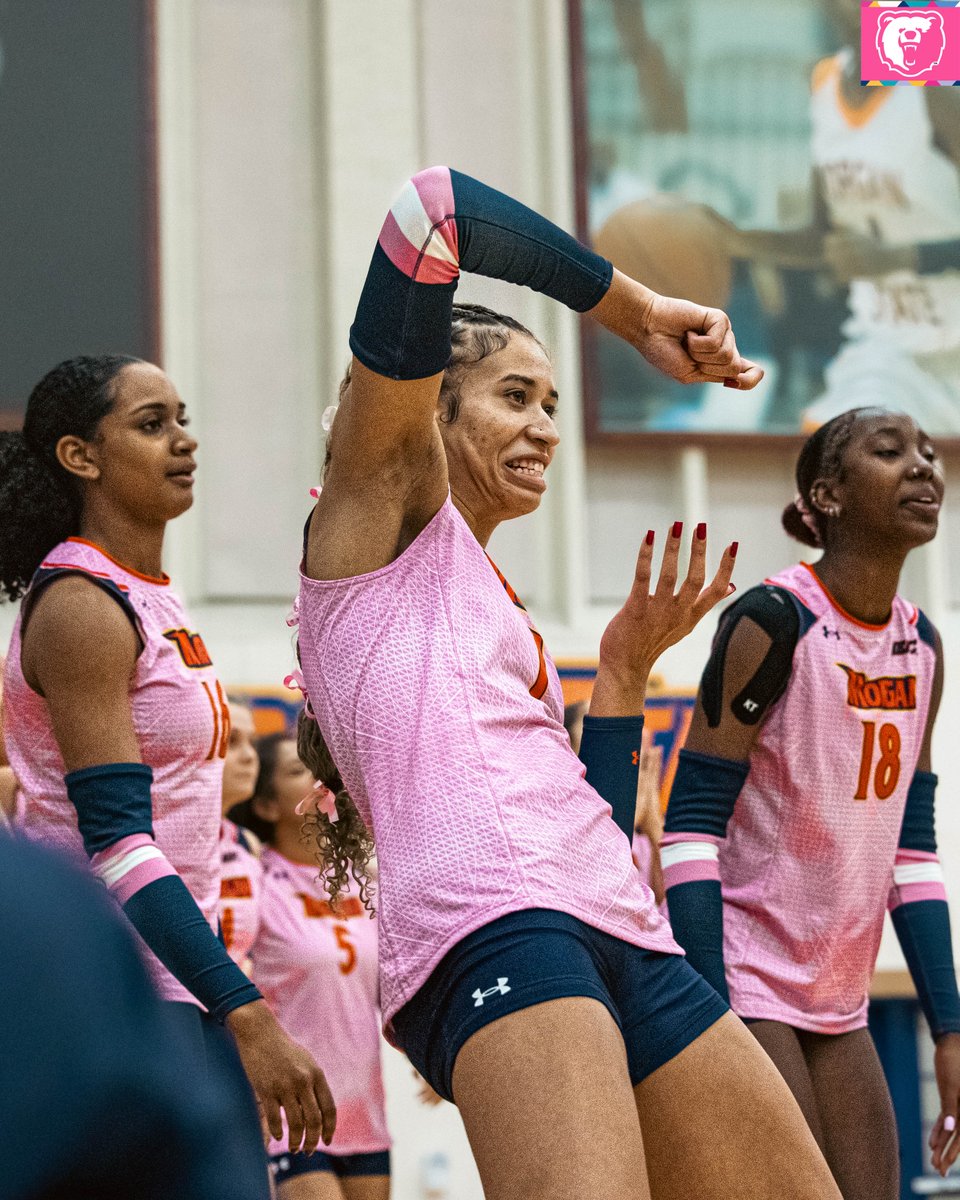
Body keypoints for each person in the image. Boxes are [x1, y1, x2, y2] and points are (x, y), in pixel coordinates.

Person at [292, 164, 841, 1200]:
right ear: (428, 414)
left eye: (551, 402)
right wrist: (635, 313)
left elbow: (595, 823)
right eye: (515, 397)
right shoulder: (371, 515)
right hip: (492, 921)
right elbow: (431, 213)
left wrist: (626, 667)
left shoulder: (498, 611)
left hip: (617, 920)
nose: (546, 425)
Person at [0, 356, 335, 1160]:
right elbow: (117, 841)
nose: (185, 440)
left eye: (182, 419)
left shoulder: (146, 591)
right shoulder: (81, 605)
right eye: (152, 425)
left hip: (177, 979)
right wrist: (246, 1009)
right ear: (80, 456)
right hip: (98, 986)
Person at [662, 407, 960, 1197]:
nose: (922, 467)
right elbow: (688, 831)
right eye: (889, 451)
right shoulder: (772, 620)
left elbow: (913, 852)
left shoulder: (924, 646)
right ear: (828, 495)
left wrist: (951, 1029)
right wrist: (710, 1012)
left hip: (839, 994)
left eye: (928, 454)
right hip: (744, 972)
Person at [0, 832, 271, 1200]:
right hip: (162, 988)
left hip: (190, 993)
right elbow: (121, 843)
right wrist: (246, 1012)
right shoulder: (45, 894)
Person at [235, 731, 391, 1200]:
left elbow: (389, 987)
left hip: (363, 1111)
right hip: (289, 1111)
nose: (318, 777)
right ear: (266, 806)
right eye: (297, 769)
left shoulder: (366, 884)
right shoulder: (256, 881)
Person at [219, 697, 264, 968]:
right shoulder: (153, 839)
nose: (249, 756)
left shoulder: (247, 843)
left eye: (252, 742)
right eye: (231, 741)